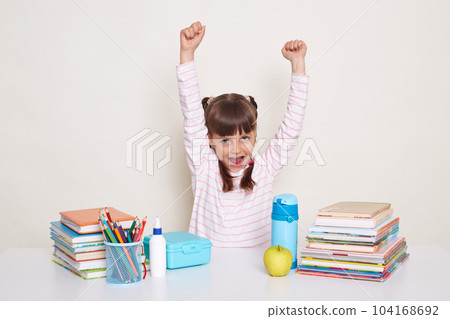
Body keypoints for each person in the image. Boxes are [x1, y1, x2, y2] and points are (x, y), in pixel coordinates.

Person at [177, 21, 309, 247]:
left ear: (255, 134)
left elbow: (292, 125)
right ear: (209, 139)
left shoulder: (265, 169)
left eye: (244, 138)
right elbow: (191, 113)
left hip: (259, 273)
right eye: (226, 140)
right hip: (207, 274)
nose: (237, 149)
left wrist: (298, 64)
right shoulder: (203, 167)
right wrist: (187, 53)